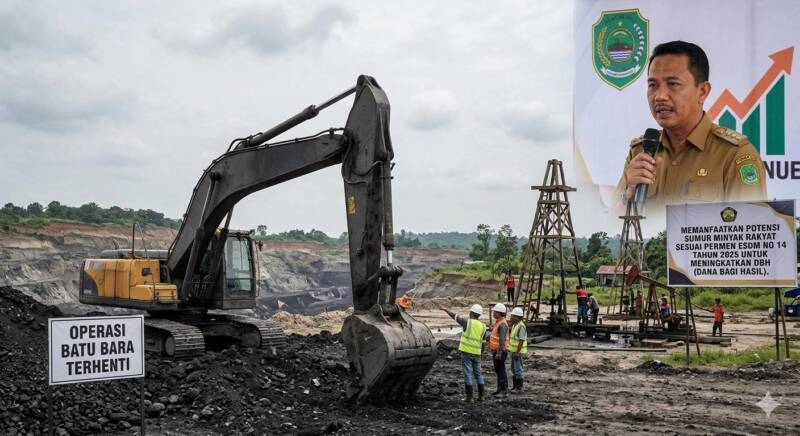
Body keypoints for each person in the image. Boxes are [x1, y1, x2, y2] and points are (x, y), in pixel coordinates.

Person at [615, 41, 767, 212]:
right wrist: (627, 193)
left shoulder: (735, 155)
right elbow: (609, 227)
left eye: (672, 84)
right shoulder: (641, 151)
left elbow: (749, 231)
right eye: (653, 85)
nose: (660, 96)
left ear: (702, 91)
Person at [441, 304, 487, 402]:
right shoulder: (483, 326)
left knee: (467, 373)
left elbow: (455, 316)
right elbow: (483, 343)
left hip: (467, 352)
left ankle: (469, 397)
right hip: (477, 354)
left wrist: (446, 309)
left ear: (471, 313)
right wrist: (481, 353)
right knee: (478, 374)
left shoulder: (467, 322)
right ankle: (481, 396)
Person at [488, 303, 510, 398]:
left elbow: (502, 340)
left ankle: (504, 391)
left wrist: (499, 352)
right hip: (497, 351)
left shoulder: (502, 325)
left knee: (501, 370)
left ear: (500, 313)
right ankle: (499, 389)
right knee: (498, 370)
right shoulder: (499, 322)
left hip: (500, 351)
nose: (493, 313)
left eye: (495, 312)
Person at [508, 307, 527, 393]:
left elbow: (521, 340)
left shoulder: (521, 326)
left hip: (518, 352)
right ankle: (515, 386)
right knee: (514, 369)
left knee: (518, 369)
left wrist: (517, 352)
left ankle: (519, 387)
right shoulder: (515, 325)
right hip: (513, 351)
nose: (511, 317)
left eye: (513, 316)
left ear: (518, 317)